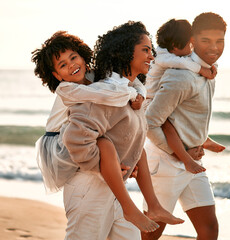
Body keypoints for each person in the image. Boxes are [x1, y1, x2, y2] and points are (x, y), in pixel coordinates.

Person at [142, 12, 227, 240]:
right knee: (150, 234)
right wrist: (180, 155)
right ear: (192, 40)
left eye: (219, 41)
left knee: (209, 230)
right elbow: (149, 123)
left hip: (193, 160)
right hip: (166, 161)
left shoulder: (209, 72)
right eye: (206, 41)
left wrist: (197, 145)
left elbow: (189, 117)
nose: (214, 47)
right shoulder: (181, 76)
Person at [31, 31, 146, 193]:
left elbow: (132, 81)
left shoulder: (94, 75)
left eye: (73, 58)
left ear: (83, 57)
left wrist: (141, 94)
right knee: (99, 131)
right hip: (59, 142)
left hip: (76, 131)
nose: (71, 65)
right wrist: (132, 95)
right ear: (57, 75)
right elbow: (105, 95)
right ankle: (106, 169)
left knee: (120, 126)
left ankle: (129, 169)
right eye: (63, 65)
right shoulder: (66, 89)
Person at [145, 18, 224, 174]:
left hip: (158, 98)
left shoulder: (173, 53)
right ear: (175, 46)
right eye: (190, 45)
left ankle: (201, 139)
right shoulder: (163, 58)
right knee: (168, 127)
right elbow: (184, 63)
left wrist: (212, 66)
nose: (192, 48)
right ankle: (185, 158)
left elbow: (186, 60)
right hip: (149, 101)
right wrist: (201, 70)